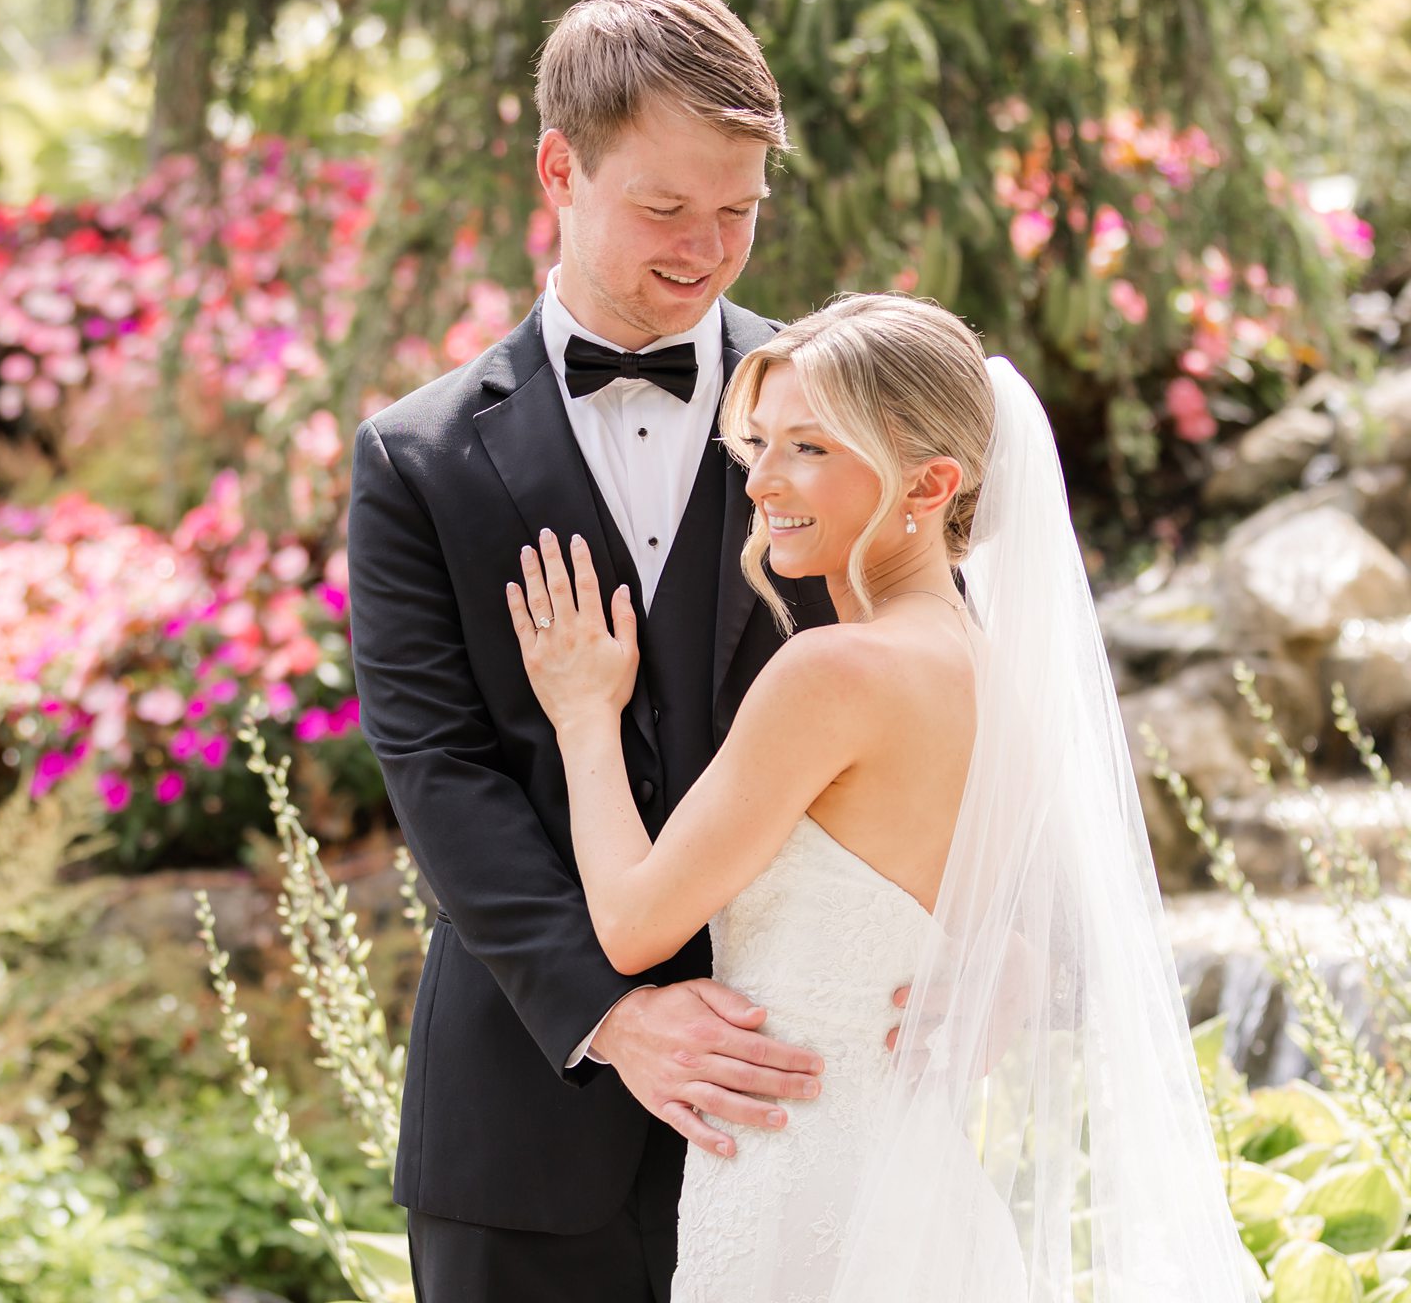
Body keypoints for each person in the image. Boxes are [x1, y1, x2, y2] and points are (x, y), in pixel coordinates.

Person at [507, 292, 1254, 1300]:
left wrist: (584, 713)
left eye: (809, 448)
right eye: (760, 441)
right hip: (923, 1190)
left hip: (798, 1196)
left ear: (930, 482)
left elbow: (636, 924)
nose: (763, 479)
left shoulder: (833, 674)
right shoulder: (998, 679)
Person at [345, 0, 867, 1302]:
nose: (706, 247)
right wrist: (615, 1017)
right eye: (664, 206)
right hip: (521, 1131)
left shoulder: (845, 418)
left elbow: (944, 689)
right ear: (559, 169)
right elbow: (437, 766)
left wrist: (975, 955)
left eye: (739, 210)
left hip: (805, 1093)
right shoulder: (416, 461)